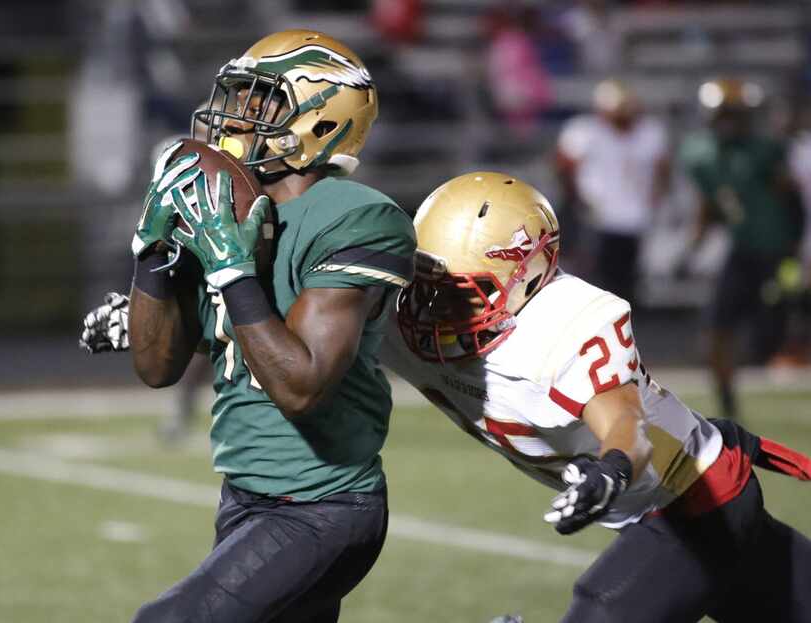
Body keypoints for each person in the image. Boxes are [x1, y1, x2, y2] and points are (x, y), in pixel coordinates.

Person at [83, 171, 811, 622]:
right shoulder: (411, 315)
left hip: (691, 500)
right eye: (426, 286)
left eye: (458, 295)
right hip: (666, 500)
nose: (432, 312)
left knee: (603, 610)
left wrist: (610, 466)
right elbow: (297, 337)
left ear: (530, 278)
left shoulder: (565, 323)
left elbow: (617, 415)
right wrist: (152, 320)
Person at [91, 29, 417, 623]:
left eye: (257, 100)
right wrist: (152, 252)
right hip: (244, 492)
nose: (234, 115)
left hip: (324, 503)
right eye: (237, 96)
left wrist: (231, 270)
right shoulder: (224, 201)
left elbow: (302, 386)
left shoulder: (358, 217)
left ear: (322, 120)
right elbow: (157, 366)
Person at [679, 78, 805, 419]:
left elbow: (792, 202)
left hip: (780, 251)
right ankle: (727, 409)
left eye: (735, 114)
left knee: (784, 325)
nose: (729, 122)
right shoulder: (703, 155)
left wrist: (794, 255)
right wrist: (693, 246)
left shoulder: (765, 150)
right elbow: (713, 205)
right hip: (744, 251)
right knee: (716, 328)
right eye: (724, 114)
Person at [555, 78, 670, 304]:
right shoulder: (585, 131)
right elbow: (563, 166)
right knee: (595, 278)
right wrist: (577, 199)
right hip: (597, 215)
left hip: (634, 217)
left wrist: (655, 197)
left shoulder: (649, 133)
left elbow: (663, 170)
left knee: (628, 280)